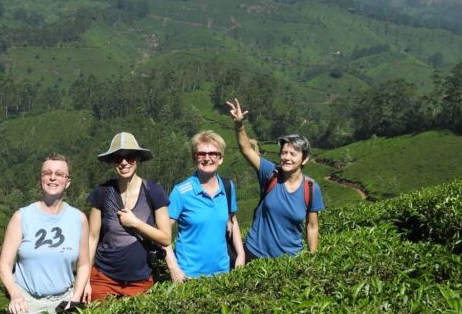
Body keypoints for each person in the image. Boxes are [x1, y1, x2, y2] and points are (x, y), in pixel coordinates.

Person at [227, 98, 324, 259]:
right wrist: (239, 124)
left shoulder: (311, 188)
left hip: (288, 260)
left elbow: (312, 226)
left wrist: (312, 259)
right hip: (254, 253)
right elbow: (246, 149)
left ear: (304, 159)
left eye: (293, 154)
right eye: (284, 153)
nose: (286, 157)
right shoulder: (270, 173)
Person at [0, 154, 91, 314]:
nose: (53, 177)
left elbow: (84, 264)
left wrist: (75, 298)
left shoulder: (79, 219)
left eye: (59, 174)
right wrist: (15, 294)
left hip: (64, 303)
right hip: (26, 304)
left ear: (67, 182)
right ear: (41, 178)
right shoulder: (21, 217)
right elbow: (5, 264)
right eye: (47, 173)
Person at [84, 132, 171, 301]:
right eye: (118, 158)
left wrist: (136, 223)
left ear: (137, 159)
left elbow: (166, 238)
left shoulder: (153, 191)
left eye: (129, 157)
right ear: (112, 162)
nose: (124, 162)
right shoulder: (101, 192)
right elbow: (92, 238)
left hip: (140, 281)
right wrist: (85, 279)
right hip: (103, 279)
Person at [166, 131, 243, 282]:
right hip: (189, 276)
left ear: (221, 159)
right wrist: (173, 268)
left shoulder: (228, 187)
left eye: (213, 153)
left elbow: (233, 221)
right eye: (201, 154)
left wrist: (241, 255)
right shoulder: (181, 192)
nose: (207, 158)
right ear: (195, 158)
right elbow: (162, 233)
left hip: (223, 273)